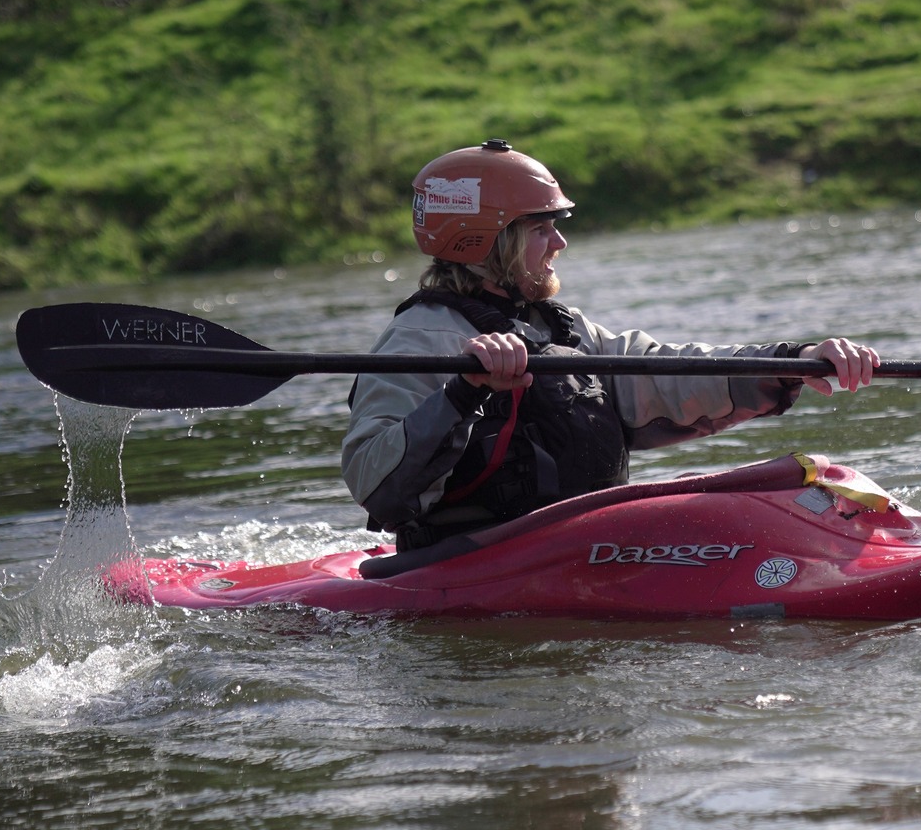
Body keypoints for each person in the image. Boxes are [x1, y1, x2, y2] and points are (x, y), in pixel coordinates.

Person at [343, 141, 879, 548]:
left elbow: (666, 375)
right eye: (540, 229)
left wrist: (793, 362)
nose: (560, 242)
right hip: (470, 559)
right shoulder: (419, 339)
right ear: (488, 239)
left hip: (575, 547)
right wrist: (464, 391)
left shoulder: (563, 330)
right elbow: (375, 481)